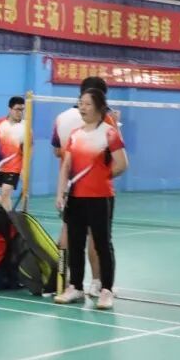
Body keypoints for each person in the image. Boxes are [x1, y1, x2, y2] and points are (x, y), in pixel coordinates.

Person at [54, 88, 128, 309]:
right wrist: (60, 193)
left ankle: (106, 290)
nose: (82, 108)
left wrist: (101, 177)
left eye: (87, 104)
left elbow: (122, 164)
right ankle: (75, 287)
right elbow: (66, 166)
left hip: (100, 198)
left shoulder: (110, 133)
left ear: (98, 107)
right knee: (75, 244)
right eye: (80, 103)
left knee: (102, 244)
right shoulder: (75, 135)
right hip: (76, 198)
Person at [0, 96, 25, 211]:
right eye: (17, 109)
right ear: (10, 109)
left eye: (22, 110)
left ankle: (10, 218)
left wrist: (24, 168)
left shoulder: (25, 127)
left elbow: (29, 149)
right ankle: (9, 211)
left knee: (5, 192)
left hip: (15, 167)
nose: (20, 112)